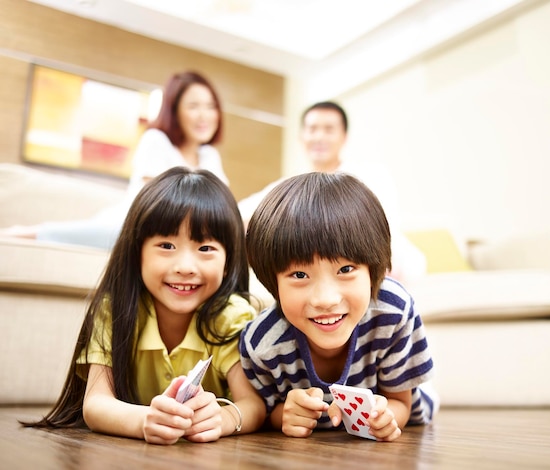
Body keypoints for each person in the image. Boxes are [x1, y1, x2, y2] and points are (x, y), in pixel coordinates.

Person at [21, 167, 266, 444]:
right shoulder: (115, 310)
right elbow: (96, 403)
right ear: (137, 253)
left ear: (228, 263)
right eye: (166, 246)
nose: (185, 267)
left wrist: (221, 420)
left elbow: (253, 405)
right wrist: (145, 420)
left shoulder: (231, 315)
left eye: (205, 249)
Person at [239, 172, 438, 442]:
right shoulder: (262, 343)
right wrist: (285, 415)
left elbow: (400, 402)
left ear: (373, 269)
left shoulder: (392, 312)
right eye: (299, 275)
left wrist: (384, 416)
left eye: (345, 269)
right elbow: (267, 412)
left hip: (409, 419)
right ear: (272, 282)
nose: (325, 299)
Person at [1, 70, 228, 250]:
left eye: (210, 107)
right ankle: (18, 234)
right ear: (174, 111)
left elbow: (222, 205)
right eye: (193, 106)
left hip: (180, 234)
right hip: (132, 223)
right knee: (73, 235)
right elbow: (162, 198)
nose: (204, 115)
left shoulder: (210, 156)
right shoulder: (156, 140)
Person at [238, 101, 427, 285]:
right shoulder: (288, 187)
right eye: (312, 129)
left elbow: (383, 231)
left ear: (343, 137)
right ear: (302, 136)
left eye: (329, 129)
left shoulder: (372, 175)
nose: (319, 137)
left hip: (386, 266)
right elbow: (237, 214)